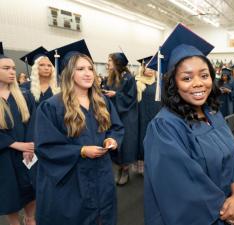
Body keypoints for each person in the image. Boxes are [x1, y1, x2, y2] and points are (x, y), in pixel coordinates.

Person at [144, 23, 234, 225]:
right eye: (187, 78)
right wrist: (229, 211)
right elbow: (182, 187)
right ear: (173, 83)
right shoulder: (164, 127)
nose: (198, 83)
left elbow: (232, 155)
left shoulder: (213, 114)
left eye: (204, 75)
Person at [34, 40, 124, 225]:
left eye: (90, 68)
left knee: (103, 217)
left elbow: (116, 127)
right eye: (80, 69)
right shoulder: (52, 107)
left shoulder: (102, 102)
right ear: (68, 72)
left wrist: (112, 140)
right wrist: (81, 151)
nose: (88, 73)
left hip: (101, 174)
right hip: (72, 179)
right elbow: (46, 147)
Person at [0, 43, 36, 225]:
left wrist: (30, 145)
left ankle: (30, 219)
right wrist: (15, 144)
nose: (12, 71)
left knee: (30, 188)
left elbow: (34, 122)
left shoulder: (24, 95)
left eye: (13, 68)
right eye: (6, 68)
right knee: (8, 193)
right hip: (4, 155)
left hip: (27, 153)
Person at [104, 51, 138, 185]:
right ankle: (119, 168)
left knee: (125, 144)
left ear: (117, 63)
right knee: (115, 142)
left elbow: (131, 98)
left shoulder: (129, 78)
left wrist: (116, 95)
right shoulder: (110, 77)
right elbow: (108, 91)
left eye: (110, 61)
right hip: (114, 114)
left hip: (126, 115)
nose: (107, 63)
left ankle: (125, 170)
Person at [135, 56, 162, 175]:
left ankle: (155, 165)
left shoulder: (159, 84)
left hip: (156, 117)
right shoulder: (137, 83)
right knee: (143, 140)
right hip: (142, 118)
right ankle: (143, 167)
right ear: (142, 68)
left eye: (153, 67)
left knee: (156, 141)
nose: (151, 69)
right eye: (148, 67)